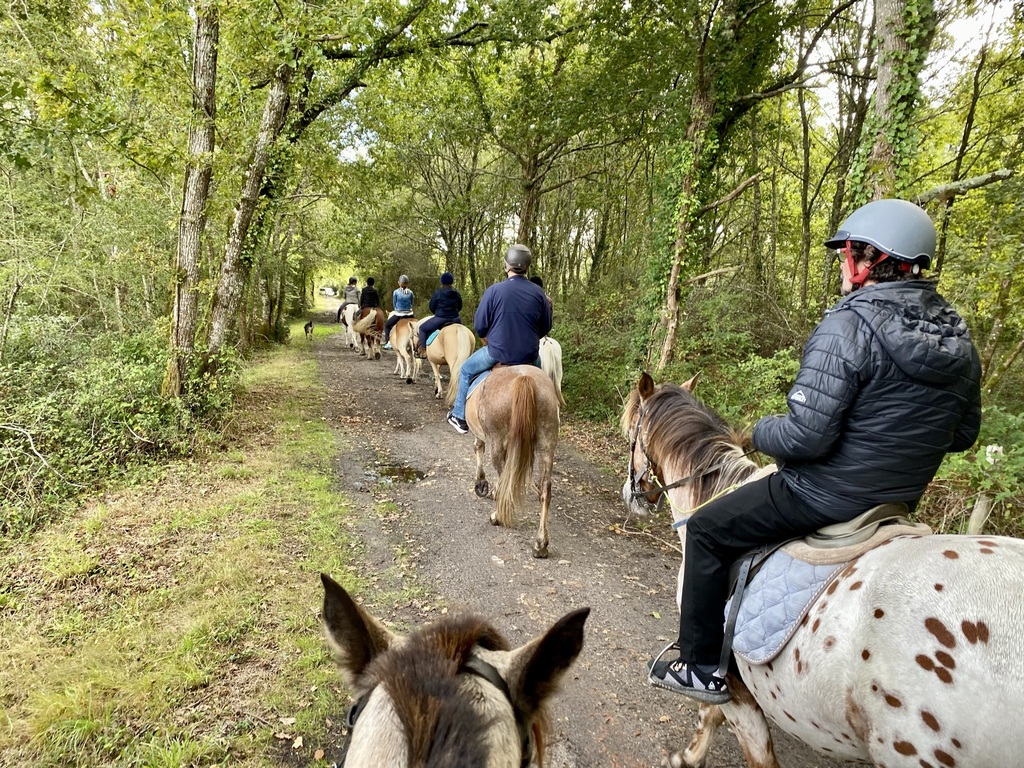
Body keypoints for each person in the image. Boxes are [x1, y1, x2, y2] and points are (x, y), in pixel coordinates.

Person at [646, 198, 983, 704]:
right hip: (895, 502)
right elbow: (962, 435)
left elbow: (806, 437)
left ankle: (698, 667)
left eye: (847, 254)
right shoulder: (959, 339)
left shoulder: (849, 324)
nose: (843, 265)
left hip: (822, 495)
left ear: (869, 257)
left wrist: (759, 433)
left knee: (708, 529)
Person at [446, 245, 553, 434]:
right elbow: (545, 328)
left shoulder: (494, 291)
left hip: (497, 353)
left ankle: (459, 416)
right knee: (542, 381)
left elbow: (480, 326)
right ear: (527, 266)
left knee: (465, 370)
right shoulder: (539, 294)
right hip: (530, 355)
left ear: (506, 266)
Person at [416, 272, 463, 358]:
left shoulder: (438, 293)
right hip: (456, 319)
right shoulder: (456, 293)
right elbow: (460, 307)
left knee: (422, 328)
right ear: (451, 282)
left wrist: (437, 313)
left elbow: (432, 306)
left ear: (442, 282)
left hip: (441, 319)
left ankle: (424, 350)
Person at [382, 275, 415, 349]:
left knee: (387, 325)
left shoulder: (396, 292)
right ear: (407, 284)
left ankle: (388, 342)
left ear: (399, 283)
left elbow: (394, 303)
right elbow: (412, 303)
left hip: (399, 314)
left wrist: (398, 309)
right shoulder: (411, 292)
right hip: (410, 314)